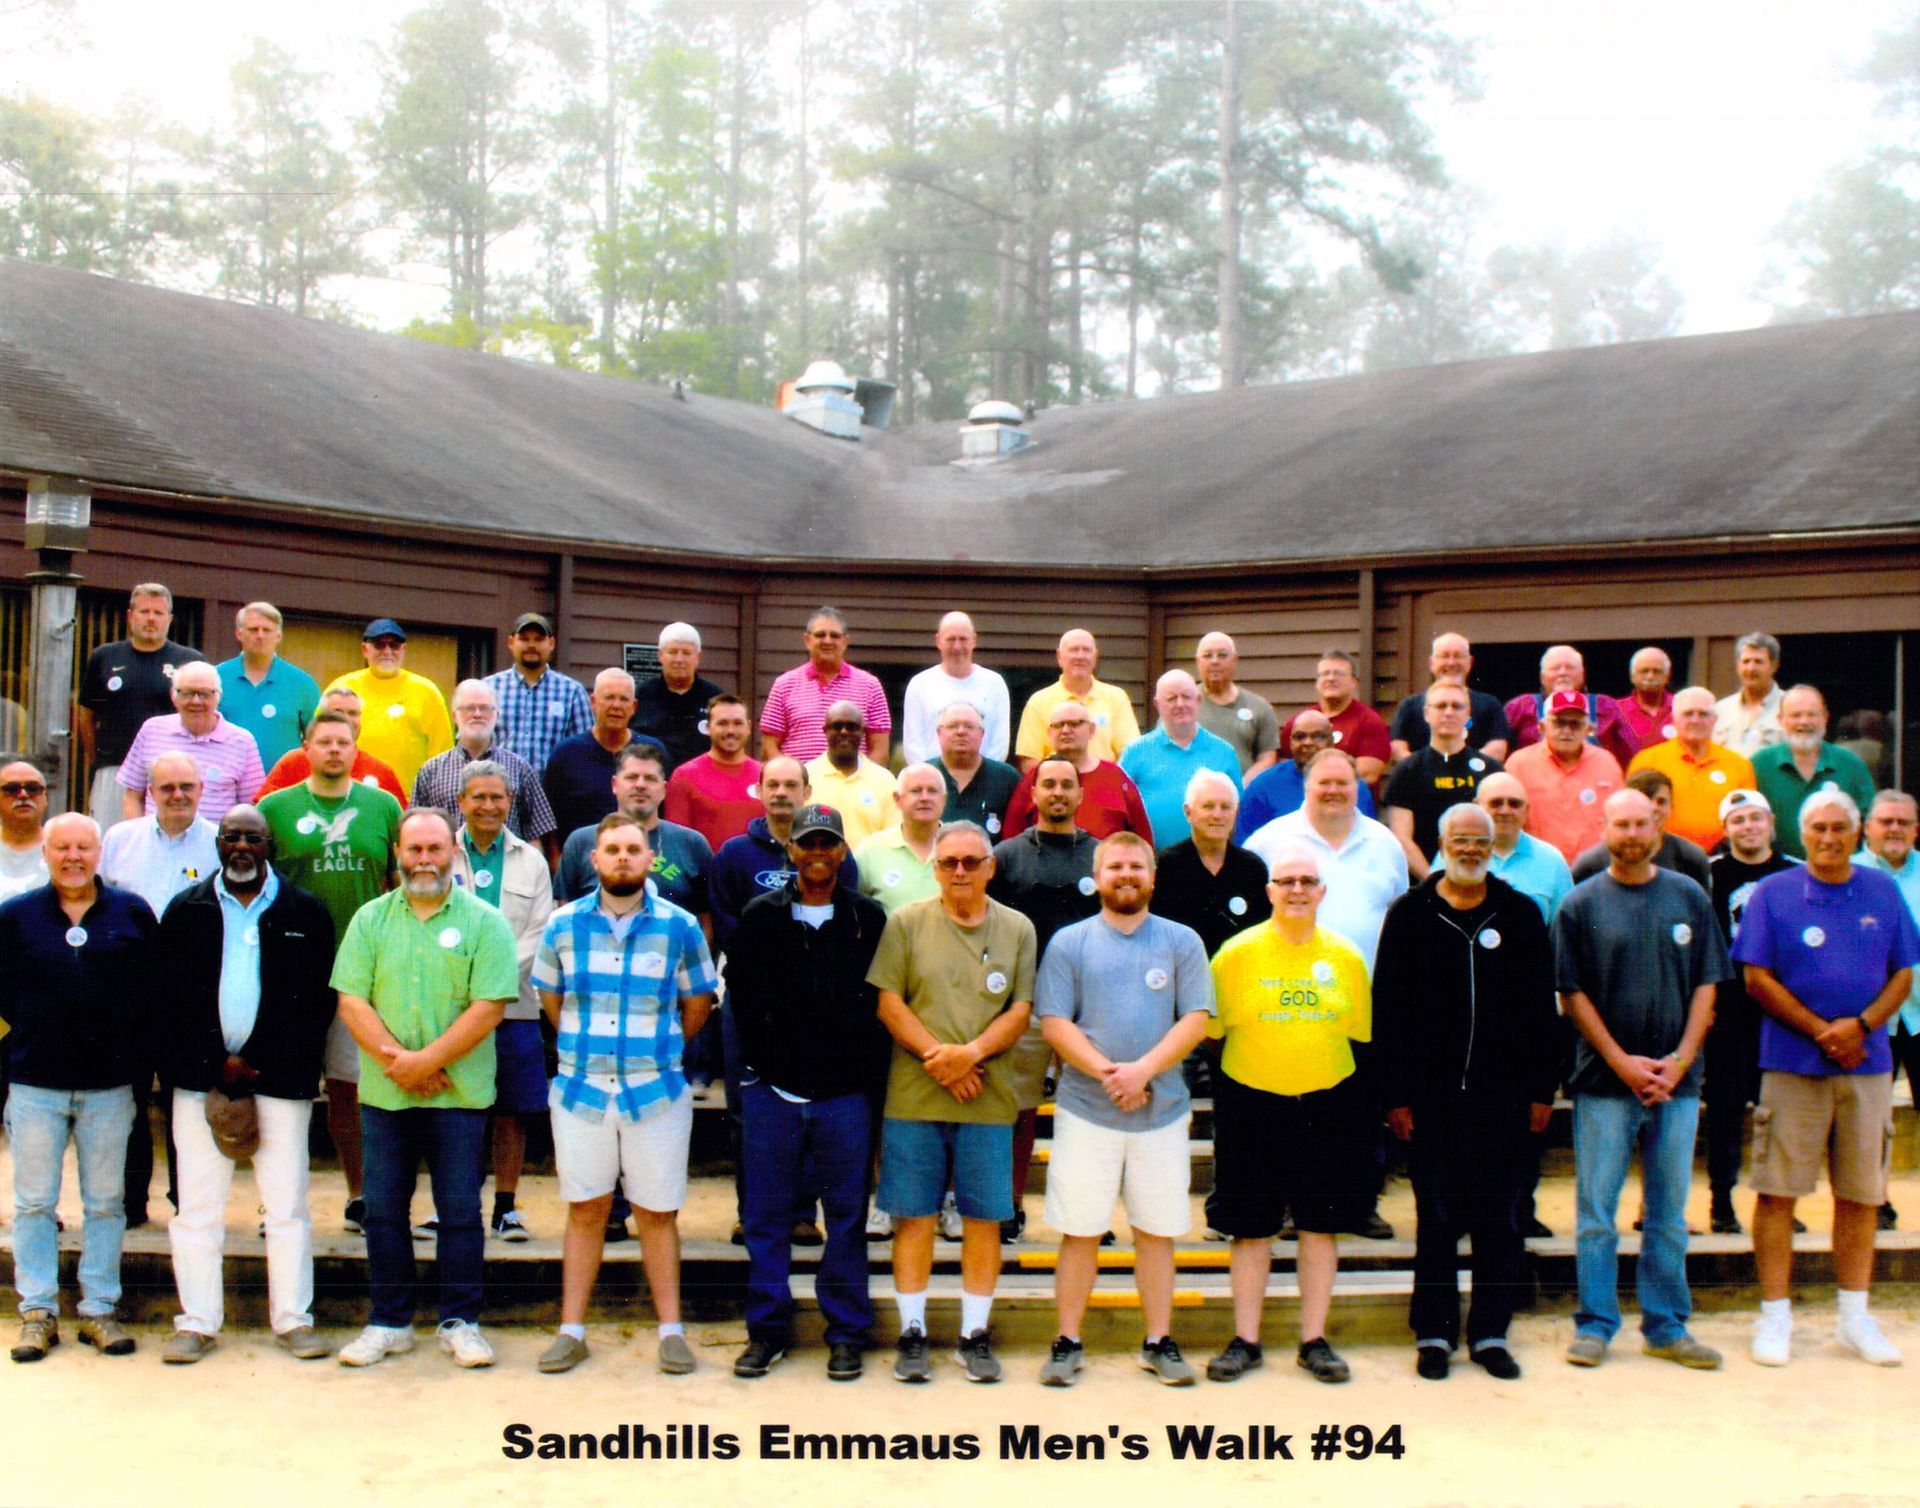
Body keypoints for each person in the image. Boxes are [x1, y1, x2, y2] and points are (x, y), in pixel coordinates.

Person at [1734, 789, 1918, 1368]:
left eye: (1841, 828)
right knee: (1777, 1191)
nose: (1830, 838)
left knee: (1861, 1194)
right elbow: (1756, 977)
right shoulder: (1773, 893)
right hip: (1792, 1064)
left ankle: (1854, 1318)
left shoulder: (1882, 891)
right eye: (1819, 828)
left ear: (1858, 832)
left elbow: (1903, 973)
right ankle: (1774, 1317)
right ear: (1803, 832)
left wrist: (1859, 1027)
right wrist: (1821, 1030)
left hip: (1867, 1064)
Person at [331, 807, 519, 1370]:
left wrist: (426, 1063)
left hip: (458, 1096)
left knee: (459, 1210)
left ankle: (461, 1322)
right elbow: (351, 1000)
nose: (424, 860)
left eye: (435, 849)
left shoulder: (486, 922)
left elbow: (489, 1005)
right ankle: (389, 1323)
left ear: (453, 852)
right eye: (414, 850)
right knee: (384, 1211)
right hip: (387, 1096)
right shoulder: (369, 920)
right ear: (397, 854)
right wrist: (404, 1066)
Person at [1378, 804, 1559, 1381]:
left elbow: (1542, 1009)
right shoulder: (1410, 914)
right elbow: (1389, 1009)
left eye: (1481, 840)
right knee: (1435, 1218)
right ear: (1441, 842)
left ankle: (1489, 1333)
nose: (1471, 849)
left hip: (1504, 1099)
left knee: (1499, 1220)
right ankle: (1434, 1333)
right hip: (1430, 1099)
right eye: (1461, 839)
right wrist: (1396, 1095)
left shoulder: (1520, 913)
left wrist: (1541, 1090)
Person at [530, 814, 717, 1376]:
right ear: (594, 859)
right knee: (586, 1210)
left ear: (649, 858)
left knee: (657, 1213)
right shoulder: (563, 924)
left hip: (655, 1091)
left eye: (633, 849)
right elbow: (551, 999)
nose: (622, 858)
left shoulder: (680, 926)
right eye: (612, 849)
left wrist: (656, 1051)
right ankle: (571, 1330)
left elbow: (697, 1002)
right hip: (581, 1090)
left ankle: (671, 1332)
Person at [1556, 789, 1730, 1370]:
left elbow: (1708, 983)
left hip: (1676, 1084)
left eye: (1641, 823)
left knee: (1668, 1213)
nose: (1632, 834)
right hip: (1605, 1083)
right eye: (1621, 824)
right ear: (1604, 828)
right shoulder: (1580, 903)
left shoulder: (1688, 896)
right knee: (1597, 1214)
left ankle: (1666, 1325)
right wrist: (1621, 1062)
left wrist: (1680, 1060)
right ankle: (1595, 1324)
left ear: (1658, 826)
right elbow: (1572, 994)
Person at [155, 806, 336, 1363]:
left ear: (268, 845)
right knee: (197, 1208)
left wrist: (254, 1058)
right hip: (200, 1082)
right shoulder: (186, 910)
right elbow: (169, 999)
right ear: (217, 845)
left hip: (279, 1080)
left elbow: (316, 1001)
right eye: (230, 836)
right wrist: (217, 1060)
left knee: (286, 1206)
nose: (240, 847)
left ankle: (293, 1320)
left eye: (252, 838)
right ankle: (197, 1323)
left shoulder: (305, 911)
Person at [1034, 833, 1213, 1387]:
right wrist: (1109, 1074)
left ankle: (1158, 1341)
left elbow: (1195, 1019)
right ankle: (1067, 1341)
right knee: (1080, 1232)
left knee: (1156, 1233)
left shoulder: (1182, 941)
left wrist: (1143, 1072)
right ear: (1097, 877)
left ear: (1152, 877)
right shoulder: (1070, 943)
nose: (1126, 875)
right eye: (1115, 866)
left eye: (1137, 866)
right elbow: (1055, 1022)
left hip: (1161, 1112)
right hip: (1087, 1112)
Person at [868, 821, 1037, 1384]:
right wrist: (939, 1058)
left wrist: (970, 1055)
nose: (960, 871)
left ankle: (974, 1334)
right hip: (915, 1096)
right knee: (913, 1218)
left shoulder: (1017, 928)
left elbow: (1019, 1010)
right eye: (948, 863)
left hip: (987, 1096)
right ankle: (913, 1331)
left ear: (991, 866)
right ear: (935, 869)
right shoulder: (906, 922)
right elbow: (889, 1003)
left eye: (971, 861)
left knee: (983, 1221)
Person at [726, 804, 890, 1382]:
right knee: (767, 1217)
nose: (818, 853)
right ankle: (767, 1331)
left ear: (843, 851)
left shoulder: (868, 917)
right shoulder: (760, 915)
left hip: (844, 1095)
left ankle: (845, 1332)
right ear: (790, 850)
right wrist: (765, 1071)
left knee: (845, 1217)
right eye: (807, 843)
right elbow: (742, 1003)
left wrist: (861, 1080)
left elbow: (879, 1006)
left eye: (828, 843)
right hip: (774, 1092)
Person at [1203, 843, 1372, 1385]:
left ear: (1322, 891)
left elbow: (1358, 1034)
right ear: (1268, 891)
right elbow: (1212, 1033)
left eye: (1307, 881)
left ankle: (1313, 1340)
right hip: (1252, 1101)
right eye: (1286, 881)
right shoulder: (1235, 954)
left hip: (1327, 1101)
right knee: (1251, 1229)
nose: (1297, 890)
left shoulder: (1346, 957)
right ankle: (1246, 1340)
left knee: (1320, 1225)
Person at [2, 812, 158, 1362]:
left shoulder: (131, 912)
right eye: (62, 847)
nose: (73, 857)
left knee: (106, 1202)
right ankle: (37, 1312)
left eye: (83, 847)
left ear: (99, 853)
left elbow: (152, 993)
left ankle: (99, 1310)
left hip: (108, 1086)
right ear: (45, 853)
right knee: (33, 1203)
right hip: (35, 1084)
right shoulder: (15, 916)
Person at [258, 709, 403, 1234]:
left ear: (355, 747)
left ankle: (359, 1196)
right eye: (324, 742)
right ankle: (277, 1203)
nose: (335, 750)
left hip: (360, 972)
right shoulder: (275, 808)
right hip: (293, 974)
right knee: (286, 1091)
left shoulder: (382, 806)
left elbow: (398, 886)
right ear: (306, 748)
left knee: (349, 1088)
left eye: (344, 742)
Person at [101, 750, 218, 1225]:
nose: (177, 795)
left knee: (184, 1103)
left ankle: (187, 1202)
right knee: (126, 1101)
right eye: (166, 788)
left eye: (186, 787)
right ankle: (130, 1202)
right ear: (150, 793)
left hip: (192, 993)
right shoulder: (119, 840)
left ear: (201, 790)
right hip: (128, 990)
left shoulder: (219, 842)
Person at [988, 759, 1102, 1241]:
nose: (1057, 792)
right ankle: (1008, 1205)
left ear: (1080, 794)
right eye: (1048, 784)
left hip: (1090, 1008)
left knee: (1091, 1112)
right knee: (1017, 1112)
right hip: (1026, 1005)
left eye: (1066, 785)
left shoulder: (1101, 856)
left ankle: (1089, 1211)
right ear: (1033, 794)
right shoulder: (1007, 856)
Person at [450, 762, 556, 1242]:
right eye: (478, 797)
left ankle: (506, 1208)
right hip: (453, 1006)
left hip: (514, 1004)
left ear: (510, 802)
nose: (488, 806)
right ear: (461, 802)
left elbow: (539, 930)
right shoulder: (443, 853)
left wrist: (490, 980)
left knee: (512, 1110)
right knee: (460, 1109)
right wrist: (465, 983)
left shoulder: (531, 861)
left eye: (497, 797)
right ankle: (457, 1205)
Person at [1702, 789, 1799, 1235]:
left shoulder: (1795, 872)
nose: (1748, 827)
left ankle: (1780, 1200)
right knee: (1725, 1109)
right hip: (1728, 1010)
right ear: (1726, 830)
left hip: (1782, 1010)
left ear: (1771, 823)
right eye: (1738, 820)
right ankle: (1722, 1200)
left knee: (1779, 1108)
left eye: (1755, 818)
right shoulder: (1709, 874)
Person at [1243, 748, 1409, 976]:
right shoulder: (1267, 842)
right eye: (1324, 783)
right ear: (1306, 788)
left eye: (1342, 783)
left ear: (1357, 787)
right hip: (1287, 987)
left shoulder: (1385, 843)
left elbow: (1401, 920)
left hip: (1366, 988)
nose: (1333, 790)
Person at [75, 582, 199, 831]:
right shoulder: (104, 657)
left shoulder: (189, 661)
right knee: (111, 840)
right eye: (144, 612)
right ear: (130, 616)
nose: (151, 618)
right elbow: (86, 716)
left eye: (158, 613)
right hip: (115, 770)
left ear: (169, 619)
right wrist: (100, 759)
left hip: (170, 776)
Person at [555, 743, 713, 915]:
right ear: (615, 785)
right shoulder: (580, 842)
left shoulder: (692, 844)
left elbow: (706, 919)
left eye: (650, 779)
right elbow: (565, 914)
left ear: (664, 790)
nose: (640, 785)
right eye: (631, 777)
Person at [1859, 789, 1920, 1230]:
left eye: (1903, 822)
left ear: (1916, 829)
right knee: (1870, 1116)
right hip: (1870, 1016)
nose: (1894, 829)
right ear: (1868, 828)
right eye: (1886, 821)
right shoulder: (1848, 873)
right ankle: (1874, 1201)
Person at [412, 680, 557, 856]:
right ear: (455, 716)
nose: (477, 714)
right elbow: (415, 831)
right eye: (469, 708)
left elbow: (535, 834)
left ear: (497, 715)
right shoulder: (430, 771)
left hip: (506, 868)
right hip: (449, 868)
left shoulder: (520, 769)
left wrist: (532, 870)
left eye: (484, 708)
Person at [1380, 681, 1504, 881]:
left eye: (1457, 706)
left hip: (1481, 880)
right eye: (1441, 706)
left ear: (1468, 714)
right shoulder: (1407, 771)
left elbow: (1501, 833)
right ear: (1426, 713)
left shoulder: (1491, 770)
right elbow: (1401, 838)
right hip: (1425, 883)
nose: (1448, 712)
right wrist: (1435, 882)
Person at [117, 661, 265, 825]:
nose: (196, 701)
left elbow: (253, 807)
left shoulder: (242, 741)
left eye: (204, 694)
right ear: (173, 695)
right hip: (156, 839)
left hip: (215, 840)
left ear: (218, 697)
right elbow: (132, 796)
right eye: (187, 693)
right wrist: (140, 835)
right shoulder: (151, 730)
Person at [1150, 770, 1271, 961]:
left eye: (1225, 807)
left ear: (1236, 812)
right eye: (1208, 806)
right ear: (1188, 812)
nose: (1217, 815)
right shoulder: (1167, 866)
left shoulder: (1252, 869)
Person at [323, 619, 453, 793]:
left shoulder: (427, 692)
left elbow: (442, 756)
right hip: (345, 795)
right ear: (365, 649)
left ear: (403, 650)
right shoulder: (342, 687)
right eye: (379, 645)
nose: (387, 651)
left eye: (394, 645)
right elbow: (319, 739)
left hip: (407, 800)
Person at [1750, 685, 1878, 861]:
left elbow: (1871, 822)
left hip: (1837, 870)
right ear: (1780, 719)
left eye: (1812, 715)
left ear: (1825, 718)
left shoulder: (1850, 764)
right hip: (1776, 870)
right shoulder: (1759, 764)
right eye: (1796, 715)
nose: (1804, 722)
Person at [1119, 669, 1242, 846]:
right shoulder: (1136, 752)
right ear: (1157, 704)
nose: (1180, 704)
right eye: (1171, 698)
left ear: (1198, 700)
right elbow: (1119, 809)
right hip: (1151, 858)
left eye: (1186, 697)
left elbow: (1238, 810)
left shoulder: (1223, 752)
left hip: (1211, 858)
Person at [542, 668, 666, 842]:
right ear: (593, 702)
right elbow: (549, 819)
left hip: (641, 851)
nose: (616, 705)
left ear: (634, 707)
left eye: (624, 699)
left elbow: (664, 812)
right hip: (582, 852)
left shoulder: (652, 751)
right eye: (609, 697)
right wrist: (557, 856)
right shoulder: (566, 754)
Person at [1626, 686, 1756, 851]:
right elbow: (1631, 812)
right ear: (1674, 719)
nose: (1695, 720)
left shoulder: (1738, 764)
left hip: (1720, 856)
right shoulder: (1647, 761)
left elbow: (1748, 815)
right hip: (1662, 855)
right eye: (1688, 714)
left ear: (1715, 719)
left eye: (1703, 714)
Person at [1431, 773, 1573, 924]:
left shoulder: (1552, 861)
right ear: (1477, 806)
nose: (1505, 811)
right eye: (1496, 803)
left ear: (1526, 810)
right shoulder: (1453, 856)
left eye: (1514, 804)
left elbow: (1564, 929)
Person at [1003, 701, 1152, 841]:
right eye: (1059, 725)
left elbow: (1143, 843)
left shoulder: (1116, 778)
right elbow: (1012, 840)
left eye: (1075, 724)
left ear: (1092, 730)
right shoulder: (1034, 779)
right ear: (1049, 732)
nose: (1066, 730)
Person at [1504, 690, 1624, 864]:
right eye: (1559, 723)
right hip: (1536, 866)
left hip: (1594, 869)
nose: (1567, 731)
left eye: (1575, 724)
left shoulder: (1606, 763)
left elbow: (1620, 817)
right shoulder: (1518, 764)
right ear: (1542, 727)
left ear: (1588, 729)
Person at [759, 607, 891, 764]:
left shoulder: (870, 686)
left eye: (835, 635)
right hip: (799, 779)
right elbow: (769, 745)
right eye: (820, 635)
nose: (827, 641)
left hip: (853, 779)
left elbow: (880, 748)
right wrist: (791, 775)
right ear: (807, 640)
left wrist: (861, 777)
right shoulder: (783, 685)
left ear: (845, 641)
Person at [1235, 707, 1376, 839]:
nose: (1308, 742)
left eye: (1318, 737)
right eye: (1300, 737)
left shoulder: (1354, 787)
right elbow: (1246, 846)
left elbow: (1368, 839)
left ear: (1331, 741)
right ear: (1290, 743)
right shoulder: (1262, 787)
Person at [255, 686, 409, 807]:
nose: (346, 719)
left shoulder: (381, 771)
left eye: (353, 713)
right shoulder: (292, 764)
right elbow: (262, 816)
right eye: (338, 712)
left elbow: (401, 826)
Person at [1013, 628, 1141, 769]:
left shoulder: (1116, 698)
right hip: (1057, 781)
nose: (1080, 656)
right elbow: (1029, 761)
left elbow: (1129, 754)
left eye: (1086, 650)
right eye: (1074, 650)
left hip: (1105, 781)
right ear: (1059, 657)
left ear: (1095, 657)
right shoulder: (1038, 702)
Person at [215, 602, 321, 769]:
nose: (260, 635)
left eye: (267, 630)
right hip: (227, 779)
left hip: (283, 782)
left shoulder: (302, 684)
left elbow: (319, 739)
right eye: (253, 629)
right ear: (239, 634)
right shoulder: (216, 678)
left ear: (278, 636)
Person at [1570, 769, 1713, 893]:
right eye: (1647, 799)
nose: (1654, 808)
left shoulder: (1691, 857)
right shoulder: (1591, 864)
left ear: (1671, 807)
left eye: (1661, 801)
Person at [484, 612, 591, 774]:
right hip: (499, 787)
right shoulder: (488, 689)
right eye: (524, 639)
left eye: (539, 639)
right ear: (511, 642)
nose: (531, 645)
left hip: (552, 788)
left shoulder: (572, 693)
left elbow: (585, 751)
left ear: (551, 643)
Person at [1504, 645, 1639, 769]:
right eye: (1555, 668)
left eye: (1570, 667)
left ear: (1582, 674)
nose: (1563, 673)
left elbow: (1632, 752)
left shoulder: (1606, 705)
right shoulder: (1520, 706)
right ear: (1542, 677)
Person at [902, 612, 1011, 765]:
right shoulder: (919, 684)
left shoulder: (994, 684)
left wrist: (981, 774)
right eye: (951, 639)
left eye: (963, 639)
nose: (957, 646)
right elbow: (913, 745)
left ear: (974, 640)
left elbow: (999, 743)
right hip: (932, 778)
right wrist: (930, 776)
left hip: (984, 777)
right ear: (938, 641)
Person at [1388, 632, 1511, 764]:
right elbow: (1397, 748)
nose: (1451, 662)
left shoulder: (1490, 704)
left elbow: (1498, 749)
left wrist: (1461, 768)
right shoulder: (1410, 706)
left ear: (1469, 662)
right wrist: (1425, 769)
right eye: (1445, 656)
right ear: (1431, 663)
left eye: (1458, 656)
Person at [661, 693, 763, 849]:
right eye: (722, 723)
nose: (731, 730)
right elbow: (677, 842)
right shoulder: (684, 776)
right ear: (708, 728)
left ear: (749, 727)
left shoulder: (765, 776)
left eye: (738, 723)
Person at [1278, 652, 1390, 786]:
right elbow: (1282, 767)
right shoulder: (1300, 722)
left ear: (1354, 682)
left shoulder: (1369, 721)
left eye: (1339, 674)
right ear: (1317, 682)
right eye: (1325, 674)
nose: (1331, 678)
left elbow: (1367, 774)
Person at [632, 622, 726, 775]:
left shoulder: (716, 699)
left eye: (686, 653)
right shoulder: (640, 696)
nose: (679, 659)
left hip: (702, 782)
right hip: (651, 781)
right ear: (660, 655)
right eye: (673, 652)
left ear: (698, 657)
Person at [805, 700, 899, 850]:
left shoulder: (885, 780)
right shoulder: (806, 776)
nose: (844, 732)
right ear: (825, 730)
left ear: (863, 731)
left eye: (852, 727)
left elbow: (893, 835)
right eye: (837, 726)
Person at [857, 763, 946, 915]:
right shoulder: (869, 851)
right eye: (916, 791)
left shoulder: (961, 847)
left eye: (932, 791)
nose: (925, 798)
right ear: (897, 799)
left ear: (944, 799)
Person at [930, 700, 1021, 838]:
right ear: (939, 732)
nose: (961, 732)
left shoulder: (1007, 778)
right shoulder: (922, 776)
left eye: (969, 726)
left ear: (982, 734)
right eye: (953, 726)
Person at [1193, 631, 1280, 775]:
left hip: (1243, 788)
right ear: (1197, 661)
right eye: (1207, 655)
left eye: (1222, 655)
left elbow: (1267, 758)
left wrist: (1241, 785)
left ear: (1235, 660)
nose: (1215, 661)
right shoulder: (1183, 705)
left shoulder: (1259, 707)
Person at [1713, 631, 1786, 757]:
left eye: (1758, 662)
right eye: (1746, 661)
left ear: (1774, 666)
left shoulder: (1790, 708)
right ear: (1738, 665)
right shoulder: (1720, 710)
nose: (1751, 668)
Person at [0, 755, 49, 903]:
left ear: (45, 797)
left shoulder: (64, 849)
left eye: (33, 788)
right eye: (12, 789)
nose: (23, 795)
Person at [1616, 646, 1676, 753]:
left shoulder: (1681, 707)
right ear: (1632, 676)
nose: (1650, 677)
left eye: (1657, 671)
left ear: (1667, 676)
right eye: (1644, 671)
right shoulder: (1617, 711)